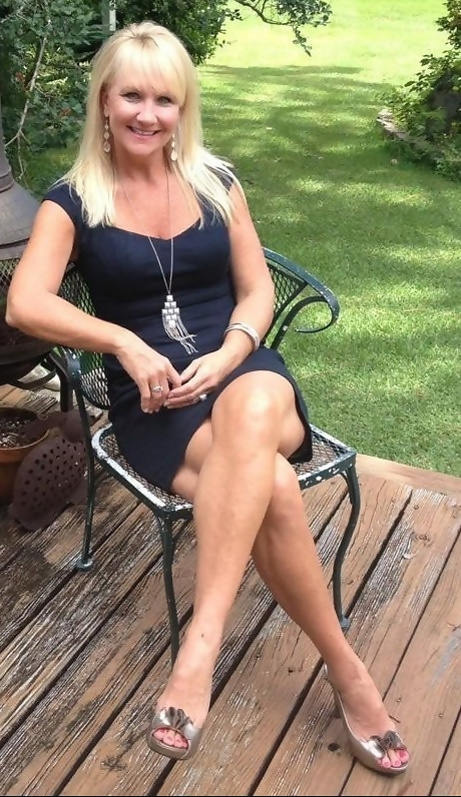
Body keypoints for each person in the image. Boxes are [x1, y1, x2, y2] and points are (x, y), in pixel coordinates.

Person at [6, 21, 409, 774]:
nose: (147, 114)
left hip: (249, 378)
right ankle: (349, 672)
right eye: (132, 96)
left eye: (165, 99)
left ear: (183, 106)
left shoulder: (216, 182)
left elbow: (256, 291)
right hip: (158, 406)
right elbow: (25, 304)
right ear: (104, 100)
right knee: (273, 486)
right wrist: (124, 343)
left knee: (250, 412)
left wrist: (230, 352)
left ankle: (200, 645)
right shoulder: (73, 201)